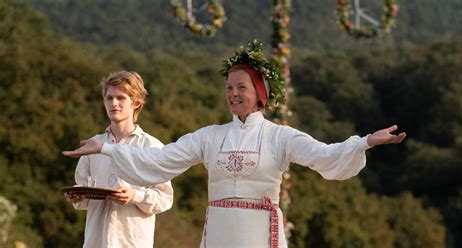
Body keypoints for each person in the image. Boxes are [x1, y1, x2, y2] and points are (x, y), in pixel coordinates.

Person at [63, 41, 405, 248]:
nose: (233, 94)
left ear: (260, 94)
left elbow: (324, 155)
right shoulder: (210, 136)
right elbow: (160, 161)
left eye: (241, 87)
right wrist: (106, 148)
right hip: (220, 232)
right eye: (229, 87)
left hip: (260, 234)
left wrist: (364, 143)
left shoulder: (279, 136)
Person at [64, 71, 173, 248]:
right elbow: (83, 199)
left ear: (136, 103)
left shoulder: (152, 146)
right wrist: (78, 196)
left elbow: (164, 199)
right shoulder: (93, 144)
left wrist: (134, 196)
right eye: (109, 98)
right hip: (95, 242)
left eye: (121, 98)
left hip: (132, 243)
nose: (114, 103)